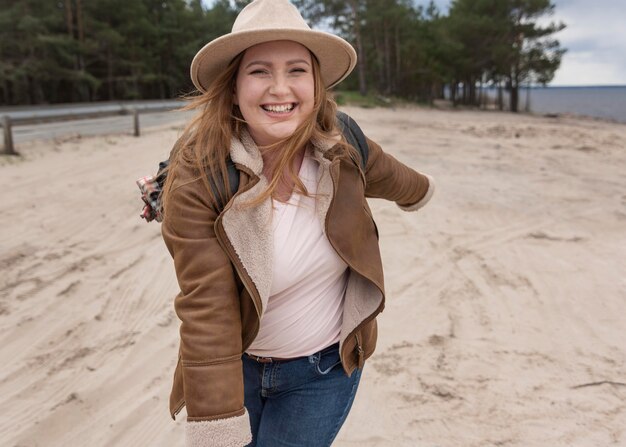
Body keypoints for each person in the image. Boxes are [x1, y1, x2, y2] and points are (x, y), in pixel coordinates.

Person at [158, 0, 434, 446]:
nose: (279, 88)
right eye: (260, 71)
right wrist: (216, 429)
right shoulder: (200, 174)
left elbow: (389, 173)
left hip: (322, 374)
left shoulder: (342, 145)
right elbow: (207, 308)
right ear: (233, 87)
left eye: (297, 70)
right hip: (238, 366)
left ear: (317, 84)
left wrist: (422, 192)